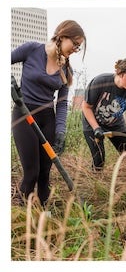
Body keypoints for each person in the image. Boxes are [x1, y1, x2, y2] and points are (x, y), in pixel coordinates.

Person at [11, 20, 86, 205]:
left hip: (47, 119)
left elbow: (61, 104)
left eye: (79, 47)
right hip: (24, 113)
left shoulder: (66, 69)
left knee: (45, 173)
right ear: (62, 35)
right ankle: (21, 218)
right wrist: (10, 84)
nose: (75, 50)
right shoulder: (32, 49)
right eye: (75, 44)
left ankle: (45, 216)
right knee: (32, 173)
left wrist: (60, 131)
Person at [81, 57, 126, 170]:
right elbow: (86, 107)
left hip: (115, 124)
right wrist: (96, 128)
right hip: (92, 122)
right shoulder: (100, 81)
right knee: (99, 160)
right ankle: (95, 183)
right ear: (120, 73)